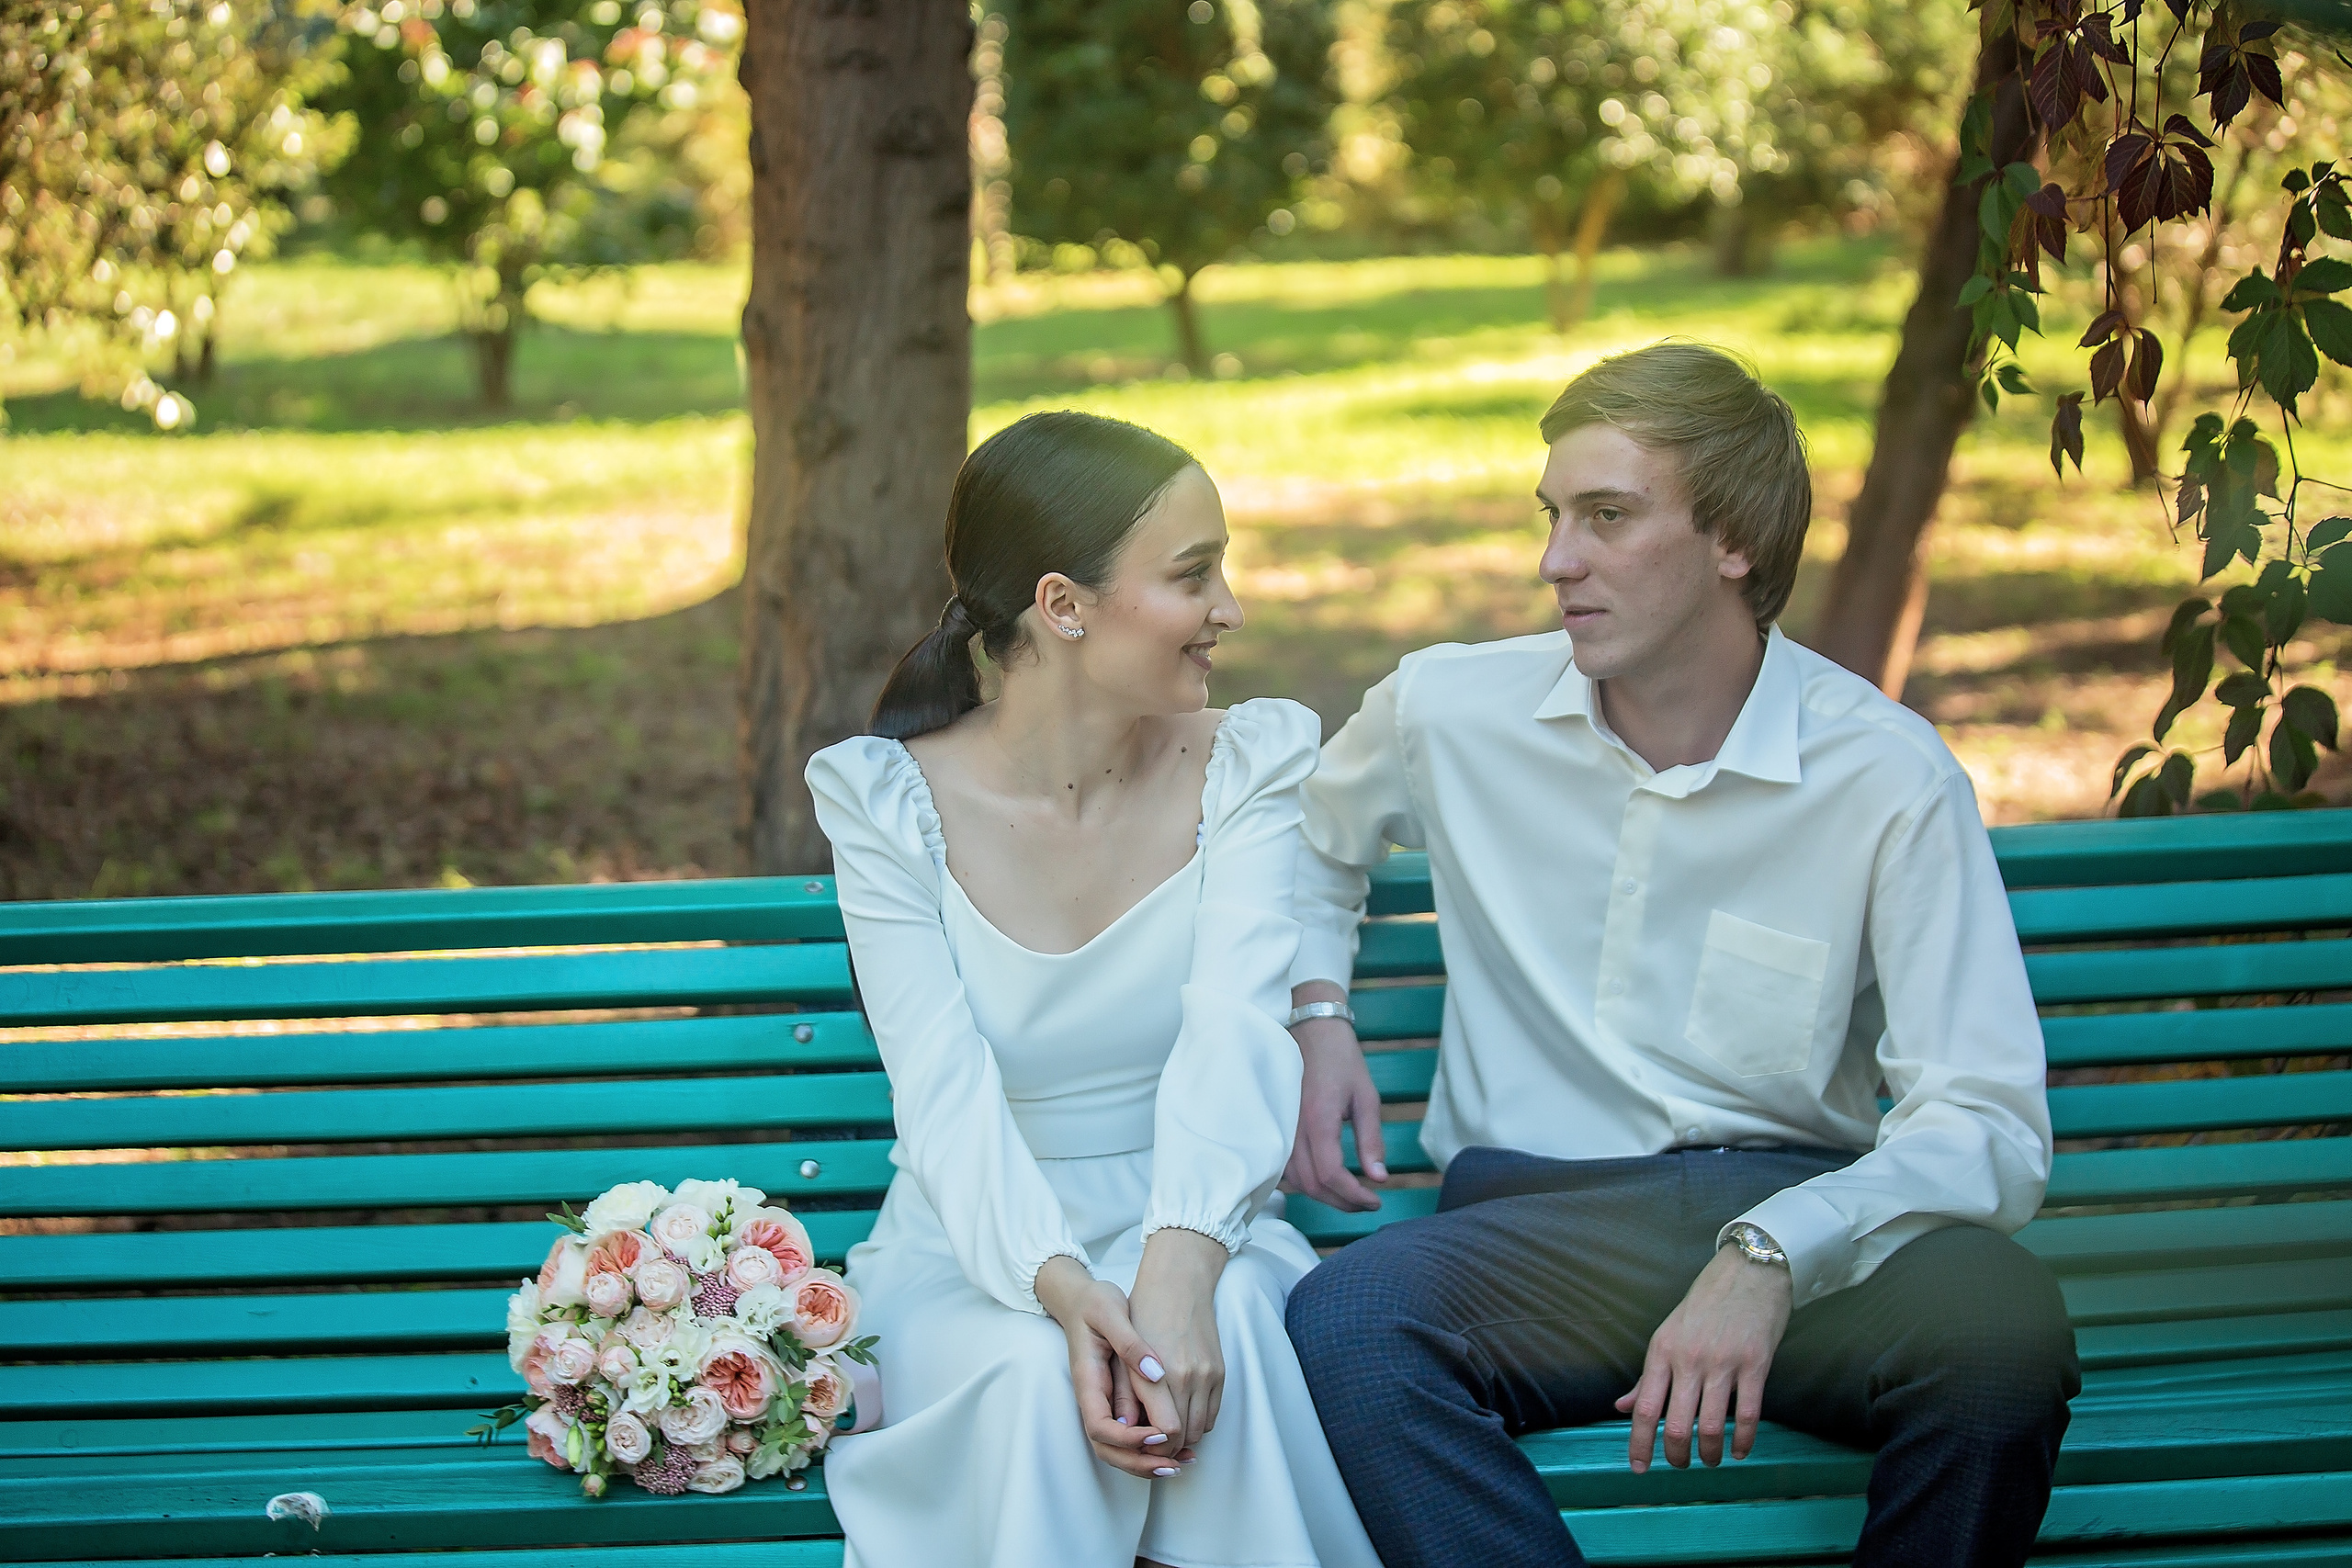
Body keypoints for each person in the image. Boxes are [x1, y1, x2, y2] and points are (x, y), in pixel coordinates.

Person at [1279, 343, 2078, 1568]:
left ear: (1734, 542)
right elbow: (1304, 846)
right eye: (1552, 515)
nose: (1556, 561)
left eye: (1607, 516)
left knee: (2000, 1328)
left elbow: (1987, 1115)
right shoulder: (1447, 709)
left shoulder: (1885, 775)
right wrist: (1318, 1005)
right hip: (1537, 1229)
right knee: (1347, 1320)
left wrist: (1775, 1250)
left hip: (1799, 1224)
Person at [808, 410, 1383, 1568]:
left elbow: (1233, 1032)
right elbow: (941, 1090)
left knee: (1226, 1357)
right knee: (1030, 1380)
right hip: (972, 1246)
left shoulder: (1250, 762)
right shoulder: (886, 803)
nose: (1231, 608)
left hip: (1204, 1218)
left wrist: (1177, 1269)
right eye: (1193, 574)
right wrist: (1065, 1291)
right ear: (1062, 606)